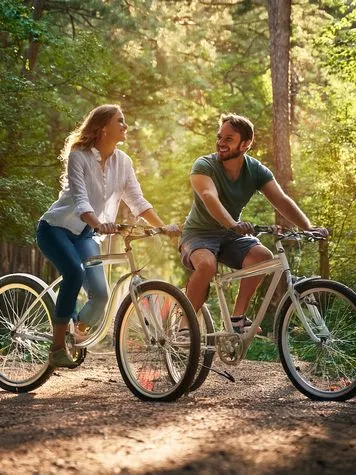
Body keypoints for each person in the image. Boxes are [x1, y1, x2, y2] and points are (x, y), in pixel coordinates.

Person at [37, 104, 179, 368]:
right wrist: (99, 223)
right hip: (55, 229)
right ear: (103, 127)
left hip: (86, 235)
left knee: (101, 296)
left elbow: (137, 200)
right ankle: (56, 348)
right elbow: (80, 201)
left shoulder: (123, 162)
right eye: (120, 121)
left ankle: (73, 331)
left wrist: (163, 227)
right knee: (74, 274)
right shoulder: (79, 155)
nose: (125, 126)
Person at [180, 113, 328, 333]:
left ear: (246, 143)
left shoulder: (255, 170)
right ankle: (185, 325)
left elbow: (281, 200)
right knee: (207, 265)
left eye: (228, 139)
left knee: (263, 258)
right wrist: (232, 223)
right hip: (198, 234)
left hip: (231, 234)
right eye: (220, 137)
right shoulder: (204, 165)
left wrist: (308, 227)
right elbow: (208, 196)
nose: (221, 143)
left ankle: (236, 319)